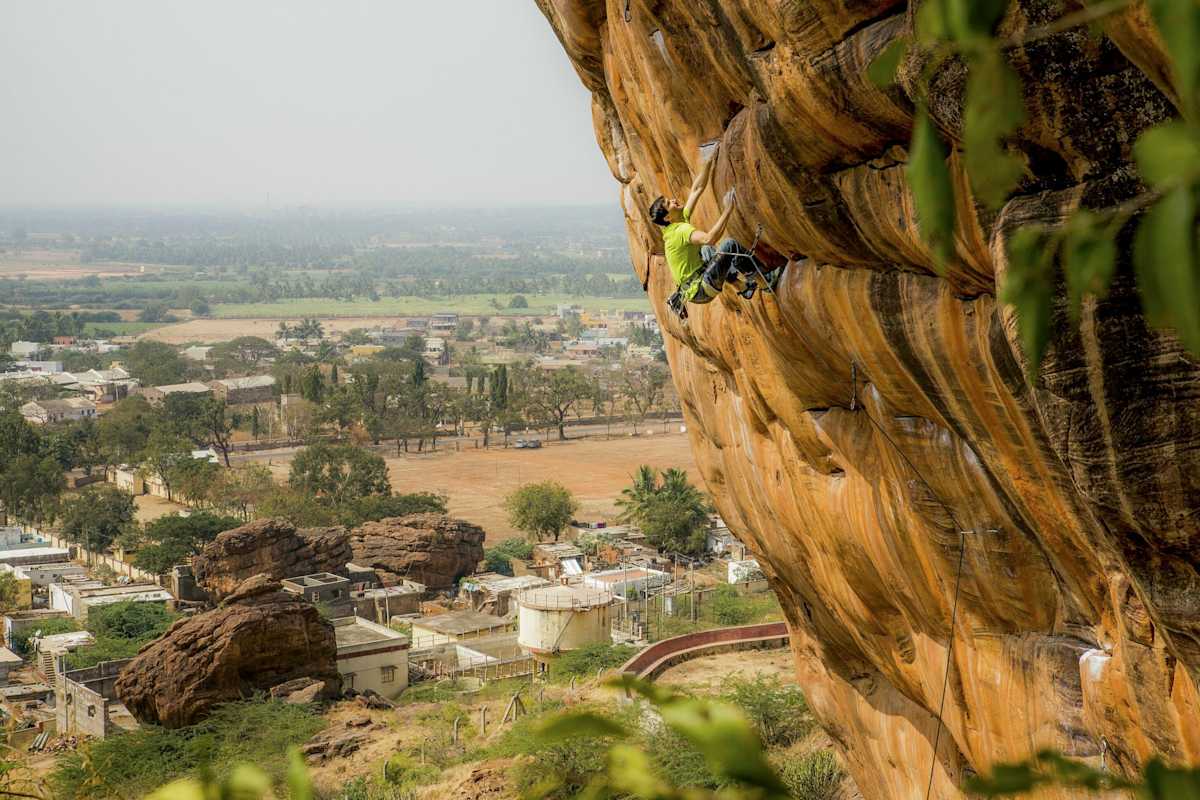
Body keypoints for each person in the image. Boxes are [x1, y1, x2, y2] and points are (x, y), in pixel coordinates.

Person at [649, 145, 773, 313]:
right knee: (729, 246)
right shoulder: (679, 231)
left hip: (694, 285)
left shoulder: (675, 222)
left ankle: (743, 287)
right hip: (701, 289)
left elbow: (697, 189)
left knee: (707, 250)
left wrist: (709, 161)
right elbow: (709, 238)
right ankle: (765, 283)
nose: (673, 200)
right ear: (667, 217)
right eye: (668, 204)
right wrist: (728, 209)